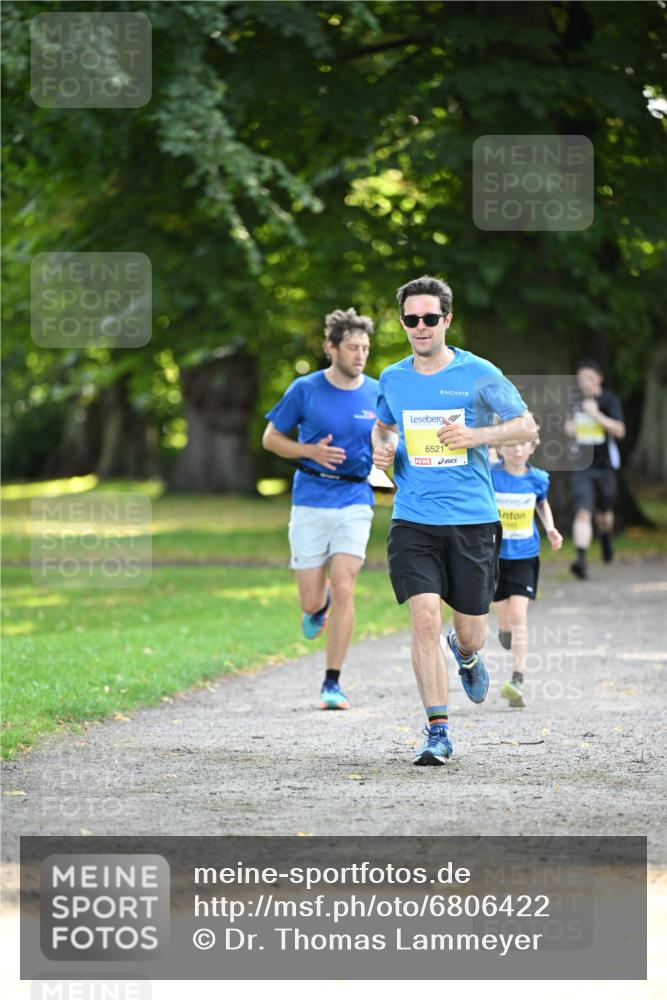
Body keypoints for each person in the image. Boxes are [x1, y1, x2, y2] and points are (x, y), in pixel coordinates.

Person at [372, 275, 537, 765]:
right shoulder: (393, 378)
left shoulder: (479, 373)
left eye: (429, 318)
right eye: (410, 319)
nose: (419, 327)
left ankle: (465, 655)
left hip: (471, 520)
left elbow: (526, 425)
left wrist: (477, 436)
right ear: (402, 323)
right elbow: (383, 430)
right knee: (423, 617)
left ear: (446, 319)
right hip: (414, 518)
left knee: (471, 631)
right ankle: (437, 730)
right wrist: (383, 452)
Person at [262, 308, 378, 710]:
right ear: (331, 348)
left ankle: (333, 682)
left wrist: (390, 451)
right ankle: (318, 606)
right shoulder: (305, 389)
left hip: (355, 500)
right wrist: (309, 451)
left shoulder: (378, 393)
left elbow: (392, 436)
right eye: (352, 347)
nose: (360, 354)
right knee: (312, 602)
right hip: (311, 500)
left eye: (364, 347)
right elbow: (271, 438)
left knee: (345, 585)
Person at [491, 434, 563, 708]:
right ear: (500, 447)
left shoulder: (538, 478)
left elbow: (541, 503)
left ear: (532, 447)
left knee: (519, 613)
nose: (517, 450)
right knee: (503, 614)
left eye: (523, 444)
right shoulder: (491, 475)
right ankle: (504, 628)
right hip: (495, 557)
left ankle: (517, 679)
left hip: (525, 556)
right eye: (510, 443)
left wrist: (551, 529)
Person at [565, 360, 626, 580]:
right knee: (583, 511)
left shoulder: (609, 400)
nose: (584, 383)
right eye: (581, 379)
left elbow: (620, 430)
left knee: (604, 515)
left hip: (605, 467)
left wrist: (596, 414)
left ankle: (606, 537)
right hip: (582, 467)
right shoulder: (576, 402)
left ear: (599, 377)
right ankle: (581, 560)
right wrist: (570, 427)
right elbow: (570, 427)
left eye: (589, 378)